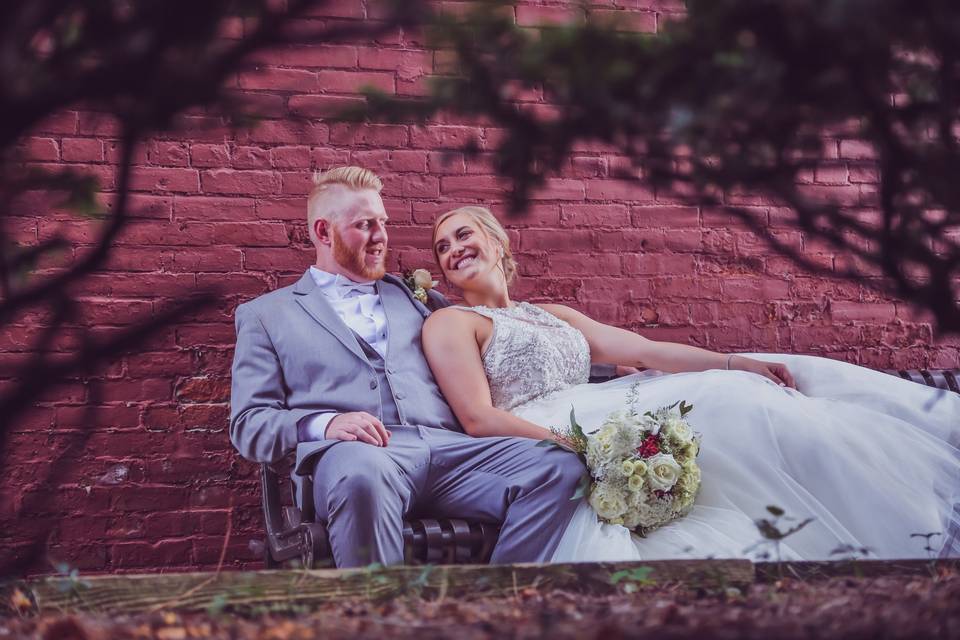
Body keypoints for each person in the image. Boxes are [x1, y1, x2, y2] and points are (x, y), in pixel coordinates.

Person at [423, 205, 960, 561]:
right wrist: (580, 448)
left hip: (602, 408)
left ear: (495, 241)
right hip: (548, 432)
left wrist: (731, 360)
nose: (452, 250)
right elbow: (478, 418)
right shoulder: (450, 322)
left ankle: (875, 524)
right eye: (442, 247)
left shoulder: (555, 314)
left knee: (750, 389)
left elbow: (646, 349)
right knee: (730, 409)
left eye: (462, 234)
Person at [229, 168, 586, 568]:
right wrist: (325, 424)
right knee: (362, 473)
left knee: (557, 467)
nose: (382, 236)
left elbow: (495, 337)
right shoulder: (266, 315)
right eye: (365, 225)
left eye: (383, 223)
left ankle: (496, 607)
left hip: (451, 452)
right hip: (356, 457)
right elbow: (249, 424)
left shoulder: (418, 298)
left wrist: (588, 351)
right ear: (324, 233)